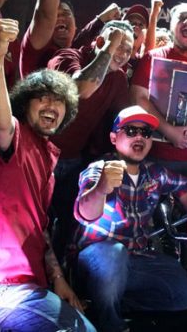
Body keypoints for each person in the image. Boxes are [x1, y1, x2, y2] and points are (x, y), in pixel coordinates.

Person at [0, 19, 95, 331]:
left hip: (32, 287)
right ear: (25, 104)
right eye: (43, 97)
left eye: (59, 100)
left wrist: (58, 278)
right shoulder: (16, 136)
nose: (52, 105)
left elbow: (41, 228)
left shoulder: (48, 156)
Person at [73, 105, 187, 332]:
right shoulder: (98, 169)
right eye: (131, 131)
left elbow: (186, 186)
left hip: (135, 259)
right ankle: (110, 324)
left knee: (185, 292)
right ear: (114, 138)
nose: (139, 137)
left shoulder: (153, 172)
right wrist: (101, 189)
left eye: (145, 133)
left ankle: (109, 304)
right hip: (96, 260)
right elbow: (85, 212)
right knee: (114, 254)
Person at [47, 20, 133, 258]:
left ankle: (61, 274)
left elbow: (124, 119)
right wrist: (109, 48)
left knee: (67, 225)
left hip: (74, 159)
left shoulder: (118, 78)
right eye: (119, 46)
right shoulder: (67, 57)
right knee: (37, 220)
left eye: (128, 50)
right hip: (41, 155)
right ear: (100, 41)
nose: (122, 54)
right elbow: (81, 89)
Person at [130, 3, 187, 200]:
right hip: (158, 161)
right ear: (171, 27)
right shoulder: (153, 57)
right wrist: (169, 131)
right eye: (181, 18)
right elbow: (138, 98)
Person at [20, 0, 79, 77]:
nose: (60, 17)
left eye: (66, 13)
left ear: (75, 27)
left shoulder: (77, 54)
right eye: (55, 14)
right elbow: (45, 15)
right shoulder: (37, 46)